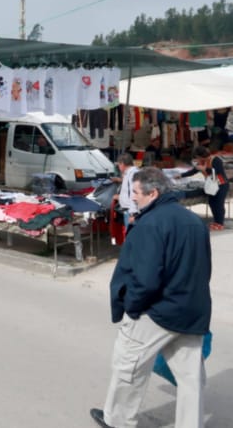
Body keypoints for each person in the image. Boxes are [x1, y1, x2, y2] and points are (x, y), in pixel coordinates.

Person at [90, 167, 212, 428]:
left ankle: (118, 421)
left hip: (157, 311)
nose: (132, 197)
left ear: (153, 193)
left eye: (135, 193)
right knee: (191, 378)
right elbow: (205, 269)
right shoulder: (193, 221)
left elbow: (145, 279)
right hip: (192, 310)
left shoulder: (151, 223)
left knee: (129, 367)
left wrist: (132, 307)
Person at [180, 146, 229, 231]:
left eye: (197, 157)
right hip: (211, 186)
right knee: (212, 203)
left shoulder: (216, 160)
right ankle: (216, 221)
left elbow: (216, 172)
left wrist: (205, 169)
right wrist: (180, 175)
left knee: (219, 204)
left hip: (221, 185)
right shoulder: (201, 162)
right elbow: (194, 171)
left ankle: (220, 224)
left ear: (201, 156)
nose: (196, 159)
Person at [111, 153, 139, 227]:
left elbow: (134, 193)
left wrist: (133, 213)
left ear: (122, 164)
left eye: (119, 165)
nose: (119, 167)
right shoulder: (129, 173)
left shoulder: (132, 173)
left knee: (131, 236)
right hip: (128, 211)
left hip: (131, 211)